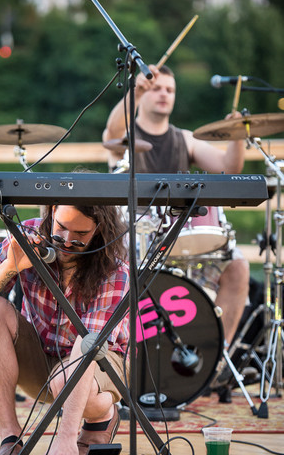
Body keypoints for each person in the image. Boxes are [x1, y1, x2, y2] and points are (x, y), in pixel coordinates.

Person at [0, 204, 130, 455]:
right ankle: (10, 439)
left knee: (64, 380)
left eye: (80, 234)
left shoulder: (115, 269)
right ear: (51, 212)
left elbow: (87, 346)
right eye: (61, 227)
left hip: (98, 362)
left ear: (100, 230)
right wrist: (10, 266)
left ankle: (101, 418)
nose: (66, 240)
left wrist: (66, 438)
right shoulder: (27, 233)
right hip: (41, 358)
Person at [103, 63, 249, 347]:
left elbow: (229, 168)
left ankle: (214, 360)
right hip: (135, 242)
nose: (163, 94)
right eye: (156, 87)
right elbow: (112, 131)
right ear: (143, 93)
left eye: (170, 89)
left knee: (239, 267)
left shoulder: (185, 139)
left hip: (183, 237)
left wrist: (237, 135)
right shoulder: (124, 137)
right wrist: (133, 90)